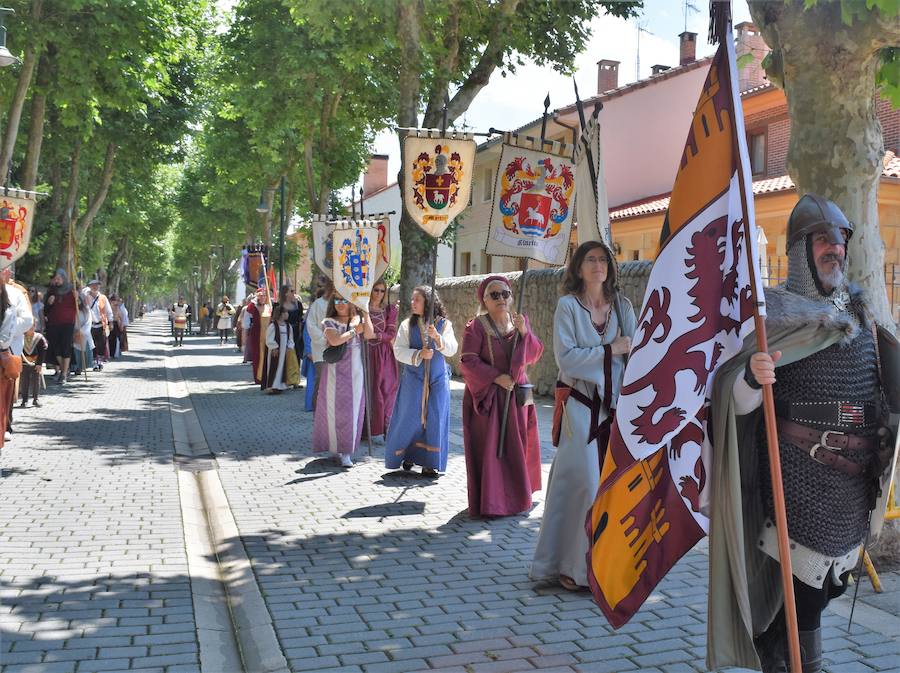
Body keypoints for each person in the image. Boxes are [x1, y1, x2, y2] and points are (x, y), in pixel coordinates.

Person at [706, 195, 899, 673]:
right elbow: (733, 397)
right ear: (799, 249)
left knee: (833, 581)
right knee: (806, 595)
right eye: (822, 240)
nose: (834, 248)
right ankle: (800, 664)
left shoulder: (861, 312)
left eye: (840, 240)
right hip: (798, 471)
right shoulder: (774, 317)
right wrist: (753, 376)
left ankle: (775, 646)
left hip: (852, 481)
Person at [530, 240, 635, 591]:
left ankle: (603, 569)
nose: (597, 265)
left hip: (617, 409)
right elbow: (567, 359)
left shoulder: (623, 307)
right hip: (580, 404)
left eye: (603, 259)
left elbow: (637, 352)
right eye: (590, 259)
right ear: (578, 267)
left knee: (614, 490)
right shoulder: (567, 307)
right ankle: (571, 566)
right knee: (584, 484)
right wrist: (612, 350)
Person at [460, 276, 544, 518]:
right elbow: (467, 362)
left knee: (519, 446)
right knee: (494, 451)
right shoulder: (476, 326)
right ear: (484, 300)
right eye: (494, 295)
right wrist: (496, 377)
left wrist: (525, 332)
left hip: (518, 397)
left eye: (505, 294)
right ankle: (494, 502)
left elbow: (535, 354)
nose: (501, 299)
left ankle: (518, 498)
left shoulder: (520, 322)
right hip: (491, 398)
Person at [384, 286, 458, 477]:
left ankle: (429, 463)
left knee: (435, 418)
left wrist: (437, 338)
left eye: (417, 299)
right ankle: (408, 454)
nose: (412, 303)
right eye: (412, 299)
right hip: (414, 379)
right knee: (410, 418)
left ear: (428, 302)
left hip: (437, 380)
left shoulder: (443, 325)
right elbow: (398, 350)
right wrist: (419, 354)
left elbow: (452, 349)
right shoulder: (407, 325)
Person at [312, 295, 375, 467]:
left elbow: (370, 334)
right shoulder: (328, 321)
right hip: (334, 372)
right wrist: (355, 330)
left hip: (355, 371)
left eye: (344, 300)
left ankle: (347, 450)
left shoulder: (358, 318)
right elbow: (334, 340)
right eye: (337, 301)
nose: (340, 304)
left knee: (351, 409)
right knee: (334, 410)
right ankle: (336, 446)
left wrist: (366, 313)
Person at [365, 279, 399, 443]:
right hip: (365, 353)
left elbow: (391, 334)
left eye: (382, 291)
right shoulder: (361, 309)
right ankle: (367, 430)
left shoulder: (389, 310)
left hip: (384, 354)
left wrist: (376, 336)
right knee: (367, 391)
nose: (378, 293)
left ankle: (382, 429)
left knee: (385, 390)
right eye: (375, 290)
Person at [3, 266, 34, 440]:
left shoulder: (16, 293)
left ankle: (6, 423)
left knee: (7, 388)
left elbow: (27, 320)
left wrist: (6, 332)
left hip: (8, 348)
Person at [43, 269, 77, 384]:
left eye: (59, 278)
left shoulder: (72, 289)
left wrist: (78, 298)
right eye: (55, 279)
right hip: (54, 323)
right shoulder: (52, 290)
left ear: (64, 278)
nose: (56, 281)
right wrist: (49, 303)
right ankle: (64, 370)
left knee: (66, 347)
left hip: (68, 323)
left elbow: (81, 306)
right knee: (56, 348)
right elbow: (45, 311)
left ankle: (63, 374)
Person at [305, 276, 333, 409]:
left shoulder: (340, 303)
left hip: (337, 349)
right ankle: (318, 411)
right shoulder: (318, 304)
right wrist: (324, 339)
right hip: (321, 349)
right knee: (321, 380)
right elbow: (310, 325)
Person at [264, 305, 295, 394]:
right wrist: (274, 347)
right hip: (276, 351)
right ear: (281, 314)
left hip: (284, 351)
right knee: (274, 367)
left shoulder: (288, 326)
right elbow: (269, 338)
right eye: (286, 312)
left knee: (282, 367)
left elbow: (290, 339)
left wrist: (290, 347)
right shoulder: (273, 326)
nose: (287, 314)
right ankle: (273, 386)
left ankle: (281, 385)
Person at [82, 279, 112, 369]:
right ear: (90, 287)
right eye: (93, 285)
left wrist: (110, 322)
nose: (95, 287)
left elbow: (108, 310)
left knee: (102, 344)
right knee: (92, 344)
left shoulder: (103, 297)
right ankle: (95, 362)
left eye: (97, 285)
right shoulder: (86, 297)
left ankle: (100, 362)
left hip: (101, 324)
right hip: (90, 324)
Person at [275, 284, 304, 370]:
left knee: (296, 353)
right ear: (285, 293)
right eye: (291, 291)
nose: (293, 293)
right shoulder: (277, 305)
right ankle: (283, 376)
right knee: (283, 353)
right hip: (282, 332)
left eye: (294, 291)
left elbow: (300, 319)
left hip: (295, 332)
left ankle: (295, 377)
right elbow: (274, 320)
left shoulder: (298, 304)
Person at [20, 329, 47, 407]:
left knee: (36, 380)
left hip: (35, 363)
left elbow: (43, 349)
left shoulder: (39, 338)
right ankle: (24, 400)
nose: (31, 328)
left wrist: (39, 363)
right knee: (24, 381)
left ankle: (36, 399)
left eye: (33, 326)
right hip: (24, 362)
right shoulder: (21, 337)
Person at [73, 291, 94, 378]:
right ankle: (75, 367)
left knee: (83, 351)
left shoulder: (87, 310)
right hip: (74, 333)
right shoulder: (72, 309)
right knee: (75, 351)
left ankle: (81, 367)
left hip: (83, 335)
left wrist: (80, 332)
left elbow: (88, 323)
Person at [107, 295, 129, 360]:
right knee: (108, 339)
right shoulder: (108, 307)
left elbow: (120, 317)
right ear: (111, 301)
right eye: (114, 301)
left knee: (114, 339)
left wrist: (121, 324)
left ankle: (113, 353)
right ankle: (109, 353)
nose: (115, 302)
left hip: (115, 324)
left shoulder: (118, 308)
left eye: (116, 301)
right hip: (108, 323)